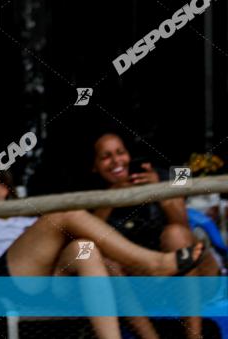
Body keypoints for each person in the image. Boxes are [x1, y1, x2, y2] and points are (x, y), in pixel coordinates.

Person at [0, 162, 205, 339]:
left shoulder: (26, 221)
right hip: (3, 283)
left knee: (85, 249)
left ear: (4, 188)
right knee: (65, 213)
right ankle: (153, 264)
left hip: (50, 279)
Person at [91, 133, 220, 339]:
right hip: (143, 287)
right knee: (104, 261)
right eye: (106, 156)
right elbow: (88, 244)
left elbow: (182, 228)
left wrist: (159, 188)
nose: (116, 161)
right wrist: (113, 197)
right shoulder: (92, 196)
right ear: (95, 166)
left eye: (120, 153)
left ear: (129, 155)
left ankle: (194, 335)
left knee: (175, 234)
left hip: (194, 278)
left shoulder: (166, 176)